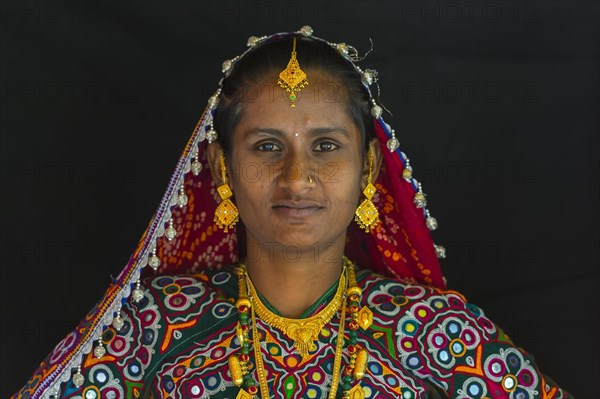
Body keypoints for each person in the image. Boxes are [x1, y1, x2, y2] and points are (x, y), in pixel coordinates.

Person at [13, 26, 572, 399]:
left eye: (326, 146)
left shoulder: (436, 332)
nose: (297, 177)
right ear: (223, 167)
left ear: (370, 167)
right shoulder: (150, 326)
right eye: (266, 145)